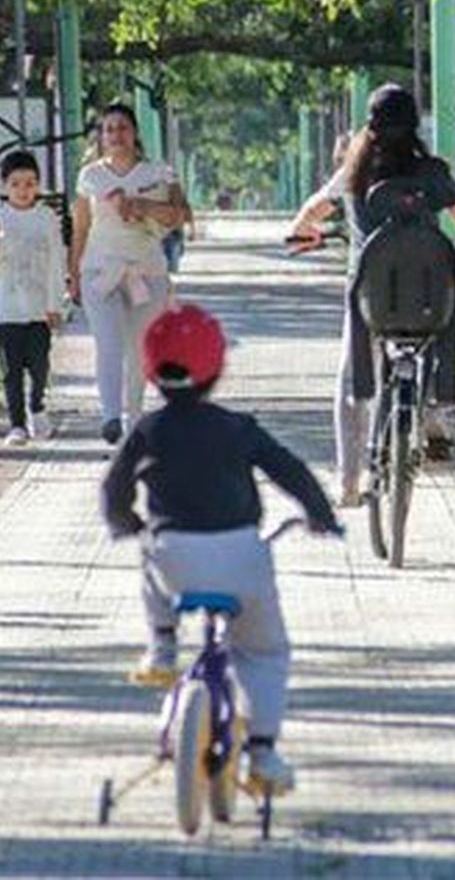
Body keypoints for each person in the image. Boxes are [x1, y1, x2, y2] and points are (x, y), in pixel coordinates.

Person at [101, 303, 343, 794]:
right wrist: (322, 515)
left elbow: (114, 489)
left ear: (151, 371)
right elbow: (290, 469)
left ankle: (163, 644)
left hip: (175, 561)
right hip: (240, 558)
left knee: (149, 555)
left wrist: (126, 522)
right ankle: (264, 753)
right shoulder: (239, 428)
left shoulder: (146, 429)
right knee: (264, 651)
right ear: (217, 369)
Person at [289, 83, 455, 509]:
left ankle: (348, 483)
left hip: (369, 298)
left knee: (352, 382)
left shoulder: (353, 172)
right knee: (436, 334)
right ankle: (434, 413)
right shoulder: (433, 174)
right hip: (427, 296)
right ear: (415, 125)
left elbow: (312, 211)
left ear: (371, 126)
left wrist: (303, 229)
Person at [68, 102, 187, 444]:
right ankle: (110, 416)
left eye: (122, 128)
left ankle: (134, 418)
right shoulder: (90, 176)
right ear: (101, 137)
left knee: (139, 350)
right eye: (108, 129)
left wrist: (142, 206)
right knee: (107, 343)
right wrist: (73, 273)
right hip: (99, 273)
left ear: (135, 133)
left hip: (146, 272)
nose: (115, 135)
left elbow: (179, 216)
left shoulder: (159, 173)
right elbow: (80, 228)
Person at [0, 149, 66, 446]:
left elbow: (56, 262)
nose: (23, 190)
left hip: (39, 308)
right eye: (15, 184)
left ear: (38, 185)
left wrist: (55, 304)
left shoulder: (47, 218)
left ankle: (37, 406)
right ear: (5, 187)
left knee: (39, 366)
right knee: (11, 370)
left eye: (30, 183)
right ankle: (16, 424)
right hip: (6, 309)